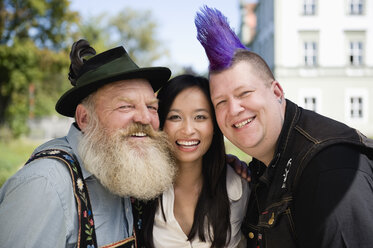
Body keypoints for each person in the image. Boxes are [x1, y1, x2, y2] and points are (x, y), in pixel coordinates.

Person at [195, 6, 373, 248]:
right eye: (221, 102)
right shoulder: (261, 167)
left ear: (277, 91)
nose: (234, 109)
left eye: (244, 93)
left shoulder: (328, 168)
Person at [0, 39, 177, 247]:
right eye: (126, 106)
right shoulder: (45, 185)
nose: (145, 118)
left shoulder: (127, 170)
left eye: (152, 107)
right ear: (84, 118)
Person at [135, 74, 250, 248]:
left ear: (214, 125)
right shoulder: (140, 189)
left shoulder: (239, 186)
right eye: (175, 117)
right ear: (160, 123)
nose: (188, 130)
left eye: (200, 117)